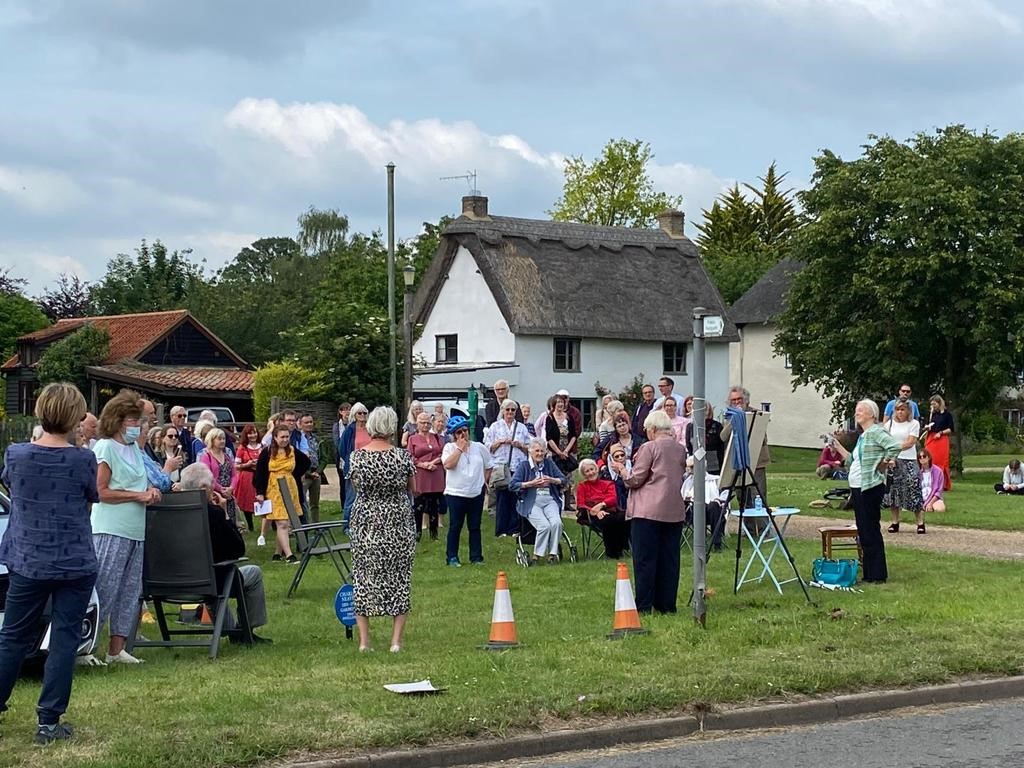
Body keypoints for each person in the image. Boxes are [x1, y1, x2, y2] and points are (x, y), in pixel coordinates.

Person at [0, 382, 99, 744]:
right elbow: (92, 497)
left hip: (27, 557)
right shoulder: (83, 459)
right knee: (63, 638)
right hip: (73, 559)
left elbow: (12, 486)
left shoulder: (16, 454)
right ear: (75, 416)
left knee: (12, 636)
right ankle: (48, 721)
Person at [92, 389, 161, 665]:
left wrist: (151, 490)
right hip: (110, 528)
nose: (139, 426)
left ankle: (116, 649)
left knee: (130, 590)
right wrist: (138, 495)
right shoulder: (105, 447)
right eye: (134, 421)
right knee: (105, 588)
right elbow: (100, 491)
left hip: (135, 528)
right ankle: (87, 647)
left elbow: (139, 482)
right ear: (119, 420)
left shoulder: (134, 448)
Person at [348, 406, 416, 653]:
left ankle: (365, 642)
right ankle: (396, 642)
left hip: (366, 521)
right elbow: (413, 489)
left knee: (363, 577)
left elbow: (355, 487)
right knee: (399, 577)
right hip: (397, 520)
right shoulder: (402, 457)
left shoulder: (357, 457)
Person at [178, 464, 270, 644]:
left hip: (171, 582)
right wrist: (225, 513)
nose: (214, 487)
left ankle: (233, 631)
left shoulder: (170, 514)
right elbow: (237, 549)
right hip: (210, 581)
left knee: (216, 578)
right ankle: (245, 631)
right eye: (212, 483)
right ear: (204, 488)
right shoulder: (213, 514)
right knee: (253, 573)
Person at [611, 410, 687, 613]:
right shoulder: (680, 450)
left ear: (652, 429)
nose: (645, 433)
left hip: (647, 512)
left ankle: (644, 605)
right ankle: (666, 604)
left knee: (645, 560)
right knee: (669, 560)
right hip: (673, 510)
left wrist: (622, 470)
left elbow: (635, 480)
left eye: (646, 430)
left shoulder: (649, 448)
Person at [829, 399, 903, 584]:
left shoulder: (876, 431)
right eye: (856, 410)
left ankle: (877, 574)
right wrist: (837, 447)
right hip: (858, 486)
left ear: (872, 414)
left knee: (870, 529)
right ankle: (869, 573)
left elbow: (894, 446)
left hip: (870, 486)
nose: (857, 412)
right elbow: (853, 459)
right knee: (864, 530)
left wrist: (884, 463)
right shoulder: (863, 436)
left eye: (861, 410)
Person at [253, 425, 310, 563]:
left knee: (285, 520)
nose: (285, 440)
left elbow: (306, 462)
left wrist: (294, 475)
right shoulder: (267, 452)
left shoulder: (292, 450)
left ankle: (277, 553)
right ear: (275, 438)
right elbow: (260, 473)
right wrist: (260, 492)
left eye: (287, 436)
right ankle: (289, 554)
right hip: (274, 488)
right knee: (282, 522)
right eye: (282, 437)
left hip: (289, 487)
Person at [441, 416, 492, 567]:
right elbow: (448, 465)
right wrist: (459, 449)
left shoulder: (479, 447)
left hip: (476, 493)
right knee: (455, 526)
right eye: (458, 432)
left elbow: (489, 465)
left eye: (465, 430)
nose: (463, 434)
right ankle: (452, 557)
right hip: (456, 493)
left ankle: (476, 557)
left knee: (475, 526)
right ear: (453, 435)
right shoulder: (449, 448)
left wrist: (483, 481)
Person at [510, 438, 568, 564]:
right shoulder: (524, 466)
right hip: (531, 501)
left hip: (549, 499)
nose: (540, 454)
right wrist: (530, 483)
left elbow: (563, 479)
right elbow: (512, 485)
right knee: (544, 526)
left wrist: (552, 480)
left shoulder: (549, 464)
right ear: (530, 452)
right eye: (537, 451)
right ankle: (537, 556)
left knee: (557, 523)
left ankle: (552, 554)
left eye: (542, 451)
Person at [720, 386, 771, 513]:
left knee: (758, 496)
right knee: (742, 497)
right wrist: (734, 420)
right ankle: (747, 528)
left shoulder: (756, 414)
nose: (737, 403)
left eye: (739, 399)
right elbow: (723, 437)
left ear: (746, 400)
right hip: (737, 461)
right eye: (733, 400)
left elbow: (762, 439)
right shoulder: (729, 416)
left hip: (756, 462)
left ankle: (762, 528)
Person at [488, 399, 531, 537]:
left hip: (517, 466)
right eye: (508, 410)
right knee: (501, 498)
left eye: (513, 410)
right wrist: (500, 442)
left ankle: (514, 529)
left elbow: (529, 448)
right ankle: (501, 530)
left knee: (515, 498)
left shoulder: (521, 427)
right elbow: (488, 447)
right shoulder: (495, 426)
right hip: (501, 466)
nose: (510, 412)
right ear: (503, 411)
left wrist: (520, 445)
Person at [882, 402, 924, 534]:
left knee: (913, 489)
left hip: (909, 460)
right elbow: (885, 441)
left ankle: (920, 522)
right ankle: (895, 522)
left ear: (908, 411)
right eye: (897, 409)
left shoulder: (914, 424)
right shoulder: (888, 425)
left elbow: (910, 442)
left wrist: (894, 448)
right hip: (893, 461)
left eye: (903, 409)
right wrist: (890, 457)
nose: (900, 412)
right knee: (894, 491)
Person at [575, 458, 629, 558]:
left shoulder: (608, 483)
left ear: (596, 469)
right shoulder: (582, 486)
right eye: (587, 471)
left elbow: (613, 499)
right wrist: (594, 511)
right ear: (584, 474)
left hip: (610, 510)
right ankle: (612, 552)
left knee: (625, 517)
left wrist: (601, 506)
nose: (591, 473)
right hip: (592, 515)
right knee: (607, 520)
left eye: (592, 469)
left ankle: (622, 546)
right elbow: (581, 504)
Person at [408, 411, 446, 540]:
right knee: (419, 505)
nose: (425, 425)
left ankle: (434, 535)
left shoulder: (437, 438)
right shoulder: (412, 439)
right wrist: (424, 464)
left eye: (427, 423)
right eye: (422, 423)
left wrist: (433, 462)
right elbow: (410, 457)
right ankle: (417, 533)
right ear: (417, 424)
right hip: (421, 475)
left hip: (436, 473)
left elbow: (443, 453)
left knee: (434, 505)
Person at [681, 456, 728, 551]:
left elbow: (726, 494)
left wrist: (718, 500)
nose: (688, 470)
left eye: (691, 467)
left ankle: (716, 543)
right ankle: (701, 543)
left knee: (713, 505)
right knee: (698, 506)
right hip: (693, 512)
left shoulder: (715, 480)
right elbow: (683, 496)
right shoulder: (688, 482)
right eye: (688, 467)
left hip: (713, 512)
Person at [338, 402, 370, 526]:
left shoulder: (371, 429)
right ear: (354, 415)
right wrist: (350, 460)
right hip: (354, 468)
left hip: (369, 467)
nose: (362, 415)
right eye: (359, 413)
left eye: (364, 413)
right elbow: (342, 449)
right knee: (351, 498)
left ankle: (364, 523)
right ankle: (347, 525)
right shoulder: (349, 430)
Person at [200, 427, 238, 527]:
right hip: (215, 495)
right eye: (219, 439)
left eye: (223, 439)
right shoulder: (206, 457)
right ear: (212, 440)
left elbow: (234, 474)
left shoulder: (227, 457)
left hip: (229, 495)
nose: (222, 441)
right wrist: (221, 490)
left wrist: (231, 488)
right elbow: (208, 477)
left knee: (231, 523)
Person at [544, 394, 580, 484]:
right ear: (554, 404)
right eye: (558, 402)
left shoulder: (569, 417)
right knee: (555, 477)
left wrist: (566, 451)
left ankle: (567, 496)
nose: (560, 404)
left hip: (567, 452)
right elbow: (549, 437)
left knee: (568, 479)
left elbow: (573, 435)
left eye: (562, 402)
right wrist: (559, 452)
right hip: (554, 453)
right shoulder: (550, 418)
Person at [233, 425, 262, 533]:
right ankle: (250, 526)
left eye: (254, 432)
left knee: (265, 499)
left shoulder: (262, 446)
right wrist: (247, 464)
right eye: (250, 433)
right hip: (247, 476)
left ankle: (271, 524)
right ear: (246, 435)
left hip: (260, 475)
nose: (253, 435)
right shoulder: (242, 448)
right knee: (247, 500)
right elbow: (236, 465)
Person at [924, 395, 954, 491]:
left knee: (940, 461)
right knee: (930, 459)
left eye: (934, 404)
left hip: (941, 439)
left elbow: (950, 429)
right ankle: (930, 481)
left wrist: (940, 433)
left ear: (939, 403)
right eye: (931, 404)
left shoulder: (946, 414)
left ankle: (942, 483)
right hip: (931, 438)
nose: (933, 406)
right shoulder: (932, 415)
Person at [685, 401, 725, 474]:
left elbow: (721, 447)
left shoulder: (717, 426)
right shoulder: (690, 427)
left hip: (714, 465)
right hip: (696, 465)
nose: (702, 412)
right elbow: (689, 446)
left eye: (704, 409)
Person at [299, 414, 325, 523]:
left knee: (315, 502)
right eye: (306, 422)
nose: (309, 424)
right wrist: (308, 473)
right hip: (304, 474)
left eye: (311, 422)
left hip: (316, 473)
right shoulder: (298, 439)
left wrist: (318, 471)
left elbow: (324, 458)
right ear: (300, 424)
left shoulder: (317, 439)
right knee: (302, 501)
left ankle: (316, 524)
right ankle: (304, 524)